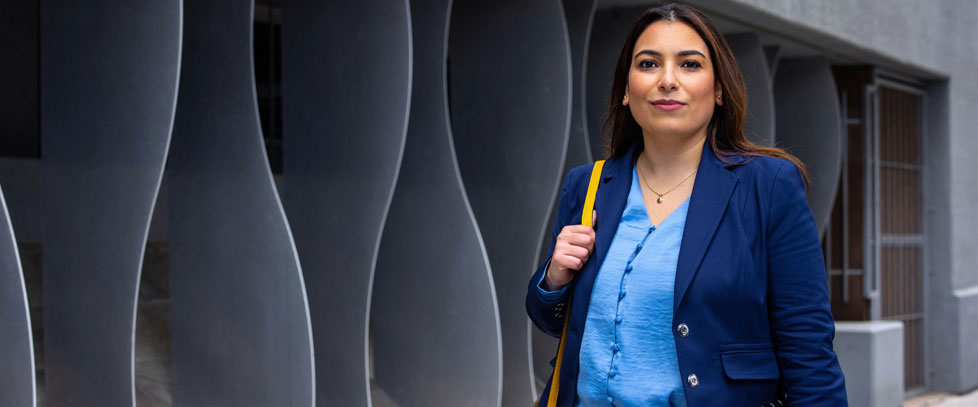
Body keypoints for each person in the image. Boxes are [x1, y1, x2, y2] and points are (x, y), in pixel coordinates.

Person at [526, 3, 847, 406]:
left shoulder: (767, 185)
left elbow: (808, 346)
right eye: (648, 64)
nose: (667, 80)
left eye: (690, 64)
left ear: (718, 89)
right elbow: (558, 323)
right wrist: (554, 278)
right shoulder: (588, 184)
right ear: (626, 90)